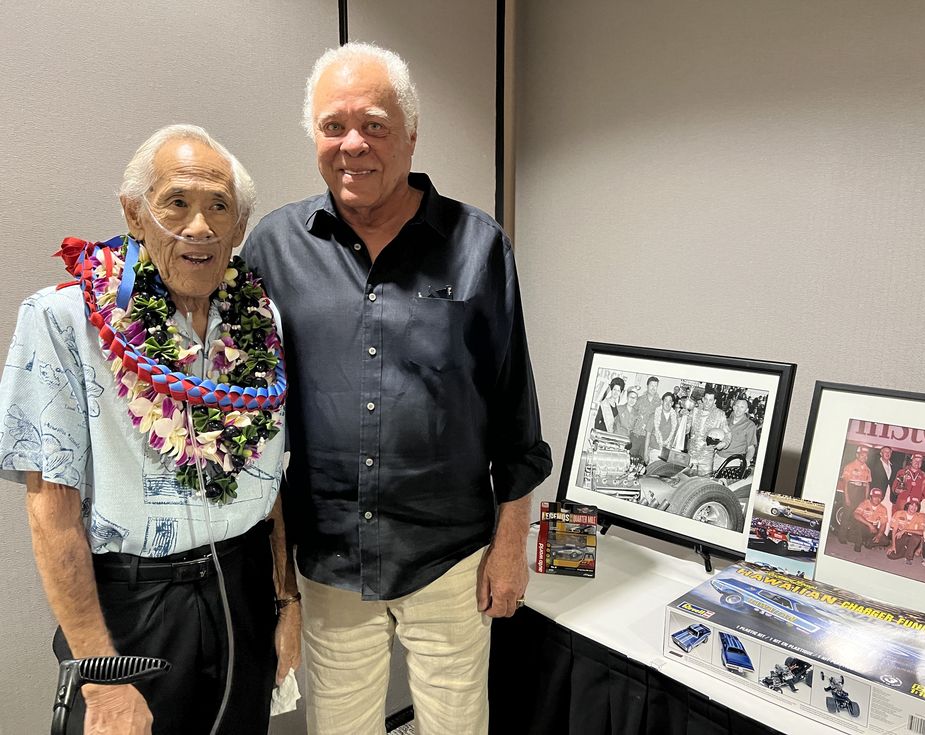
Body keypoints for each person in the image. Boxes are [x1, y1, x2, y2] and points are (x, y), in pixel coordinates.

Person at [240, 43, 552, 734]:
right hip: (329, 555)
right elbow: (244, 409)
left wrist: (510, 544)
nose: (353, 144)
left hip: (450, 554)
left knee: (456, 725)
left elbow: (513, 412)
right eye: (333, 126)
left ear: (410, 133)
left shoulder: (478, 246)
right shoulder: (272, 248)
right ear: (314, 138)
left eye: (374, 124)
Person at [0, 125, 300, 734]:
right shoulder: (64, 320)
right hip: (134, 607)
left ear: (239, 229)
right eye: (177, 203)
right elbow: (50, 514)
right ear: (135, 214)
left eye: (220, 208)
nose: (200, 227)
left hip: (244, 592)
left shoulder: (261, 321)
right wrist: (101, 675)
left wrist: (286, 600)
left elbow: (271, 479)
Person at [685, 389, 730, 474]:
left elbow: (727, 433)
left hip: (707, 456)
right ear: (702, 399)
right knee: (687, 482)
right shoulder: (695, 411)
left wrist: (724, 443)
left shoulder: (720, 414)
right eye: (705, 399)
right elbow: (686, 429)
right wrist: (682, 417)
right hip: (691, 454)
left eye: (710, 400)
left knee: (703, 483)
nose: (707, 402)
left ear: (714, 401)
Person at [837, 445, 872, 543]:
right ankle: (842, 537)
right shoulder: (850, 466)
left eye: (866, 456)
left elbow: (867, 484)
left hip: (861, 492)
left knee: (856, 516)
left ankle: (851, 536)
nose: (864, 458)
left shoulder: (867, 469)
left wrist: (866, 499)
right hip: (852, 490)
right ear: (857, 455)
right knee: (847, 515)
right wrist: (847, 498)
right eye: (862, 455)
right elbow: (845, 483)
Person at [714, 398, 758, 469]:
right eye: (737, 406)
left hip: (733, 461)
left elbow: (751, 447)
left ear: (746, 410)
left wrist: (747, 460)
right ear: (733, 407)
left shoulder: (750, 425)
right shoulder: (725, 421)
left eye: (742, 407)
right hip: (717, 458)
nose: (738, 409)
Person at [627, 376, 660, 461]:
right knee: (630, 459)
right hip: (636, 436)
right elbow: (631, 414)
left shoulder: (659, 403)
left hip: (649, 440)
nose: (653, 388)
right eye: (651, 385)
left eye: (655, 386)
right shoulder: (640, 399)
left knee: (642, 463)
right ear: (647, 386)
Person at [886, 499, 925, 565]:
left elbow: (921, 532)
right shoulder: (898, 513)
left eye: (916, 506)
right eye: (912, 505)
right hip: (900, 537)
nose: (914, 507)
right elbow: (894, 531)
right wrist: (893, 545)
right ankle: (906, 551)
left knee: (916, 538)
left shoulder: (921, 517)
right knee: (891, 555)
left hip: (912, 539)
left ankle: (909, 557)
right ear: (908, 505)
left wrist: (905, 530)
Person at [850, 487, 889, 552]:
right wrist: (869, 525)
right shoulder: (864, 503)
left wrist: (879, 535)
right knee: (859, 524)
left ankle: (868, 543)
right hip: (863, 525)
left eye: (879, 497)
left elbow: (883, 523)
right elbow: (856, 515)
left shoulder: (883, 508)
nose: (877, 499)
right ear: (870, 497)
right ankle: (858, 543)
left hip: (874, 527)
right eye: (875, 497)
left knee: (886, 541)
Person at [645, 392, 679, 465]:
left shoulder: (675, 419)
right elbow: (648, 435)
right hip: (654, 450)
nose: (667, 403)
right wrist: (645, 454)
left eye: (670, 401)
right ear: (662, 401)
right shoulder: (654, 415)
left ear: (672, 403)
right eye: (665, 400)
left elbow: (674, 437)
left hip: (666, 453)